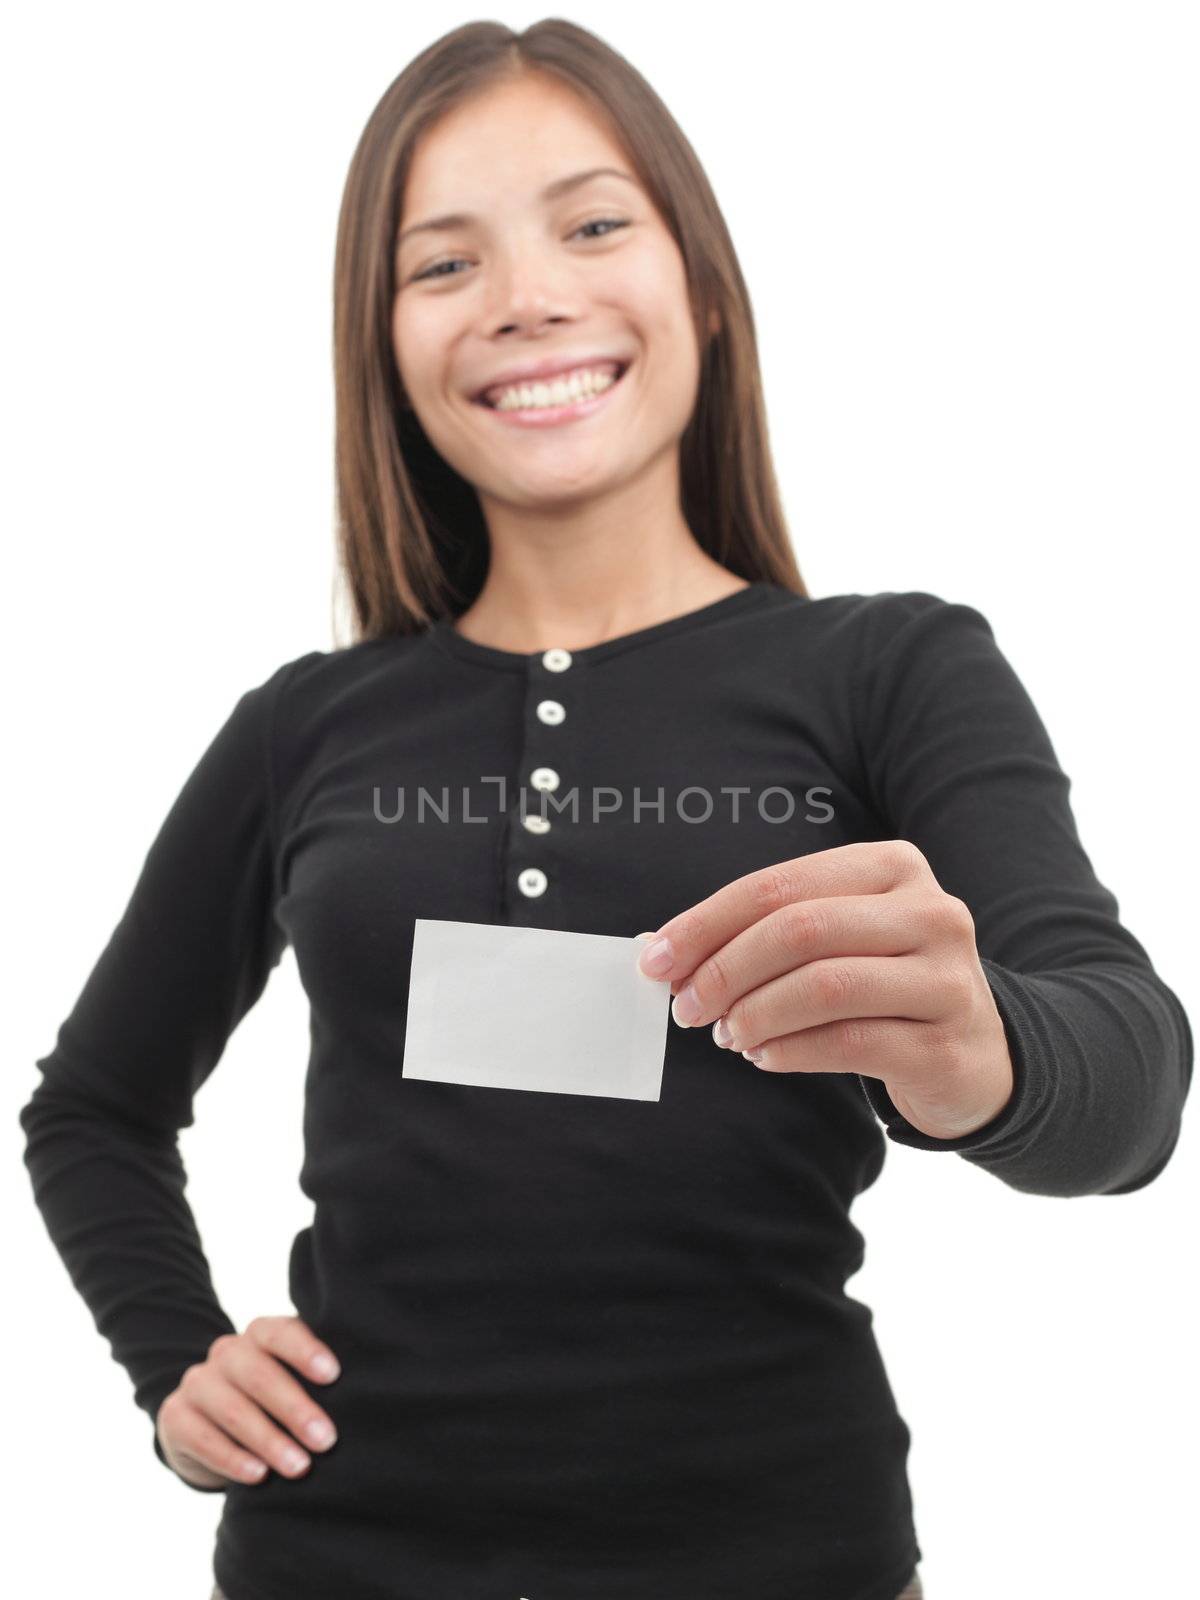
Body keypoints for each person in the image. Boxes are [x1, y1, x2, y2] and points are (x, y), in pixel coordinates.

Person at [19, 19, 1191, 1600]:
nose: (526, 299)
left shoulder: (890, 667)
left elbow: (1130, 1081)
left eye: (590, 224)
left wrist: (989, 1052)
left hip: (784, 1556)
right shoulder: (304, 726)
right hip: (336, 1563)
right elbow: (93, 1107)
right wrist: (176, 1371)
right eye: (442, 266)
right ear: (383, 345)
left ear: (698, 278)